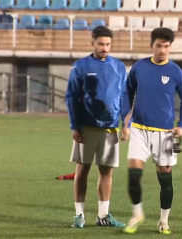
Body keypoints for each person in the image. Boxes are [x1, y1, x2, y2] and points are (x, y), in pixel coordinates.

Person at [120, 27, 182, 234]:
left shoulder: (177, 72)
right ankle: (137, 214)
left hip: (165, 132)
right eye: (158, 45)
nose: (162, 50)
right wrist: (126, 117)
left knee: (165, 178)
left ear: (170, 47)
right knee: (133, 175)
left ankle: (163, 220)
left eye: (166, 46)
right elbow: (127, 92)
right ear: (151, 45)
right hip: (139, 130)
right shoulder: (139, 67)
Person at [65, 26, 126, 229]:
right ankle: (79, 215)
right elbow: (71, 97)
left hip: (110, 129)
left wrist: (126, 123)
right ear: (93, 43)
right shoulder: (81, 66)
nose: (105, 48)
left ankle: (103, 215)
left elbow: (125, 98)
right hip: (87, 128)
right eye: (101, 43)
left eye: (108, 44)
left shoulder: (118, 66)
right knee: (82, 171)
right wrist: (75, 126)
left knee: (106, 172)